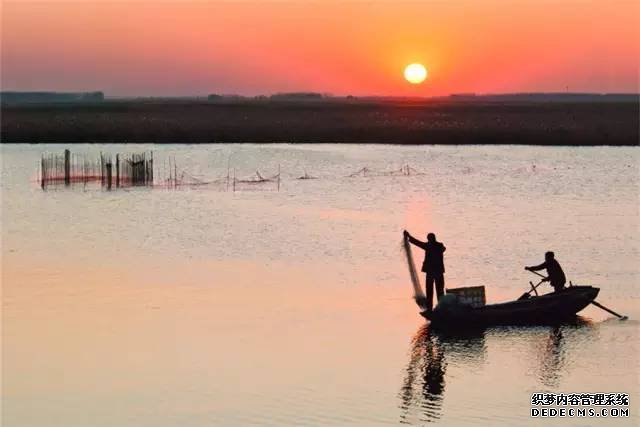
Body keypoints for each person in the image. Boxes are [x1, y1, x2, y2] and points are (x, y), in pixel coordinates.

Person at [404, 230, 446, 311]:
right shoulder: (439, 246)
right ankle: (441, 308)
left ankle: (430, 309)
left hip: (431, 272)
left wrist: (409, 236)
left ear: (429, 239)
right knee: (440, 291)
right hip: (439, 272)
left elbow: (418, 243)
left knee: (430, 291)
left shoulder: (428, 246)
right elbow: (444, 249)